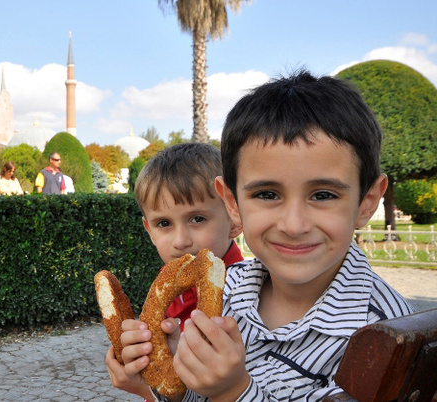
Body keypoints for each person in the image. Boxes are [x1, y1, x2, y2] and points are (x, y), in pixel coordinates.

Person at [120, 71, 414, 402]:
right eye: (267, 194)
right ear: (232, 202)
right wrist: (175, 377)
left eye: (323, 195)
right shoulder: (227, 289)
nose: (293, 224)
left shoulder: (384, 334)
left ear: (366, 202)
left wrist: (234, 391)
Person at [105, 143, 244, 401]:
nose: (180, 241)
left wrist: (145, 390)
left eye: (197, 219)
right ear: (149, 231)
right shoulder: (167, 284)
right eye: (164, 224)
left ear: (234, 218)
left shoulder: (250, 295)